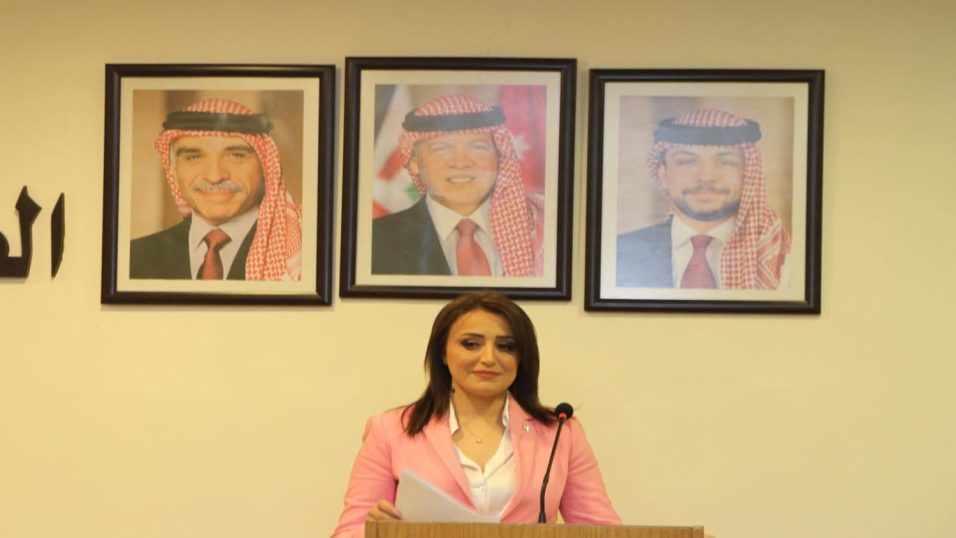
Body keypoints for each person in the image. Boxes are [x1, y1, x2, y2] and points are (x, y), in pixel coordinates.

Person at [330, 292, 620, 538]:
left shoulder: (561, 432)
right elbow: (349, 531)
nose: (488, 358)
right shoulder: (390, 430)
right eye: (471, 344)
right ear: (443, 353)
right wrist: (380, 532)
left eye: (506, 347)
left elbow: (602, 530)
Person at [371, 94, 544, 277]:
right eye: (441, 148)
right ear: (414, 161)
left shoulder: (542, 230)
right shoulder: (376, 239)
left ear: (499, 155)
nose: (460, 163)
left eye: (478, 147)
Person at [616, 108, 791, 289]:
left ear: (748, 174)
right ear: (663, 174)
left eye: (726, 162)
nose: (706, 177)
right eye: (687, 162)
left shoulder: (786, 255)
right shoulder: (618, 253)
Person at [129, 98, 302, 280]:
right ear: (173, 169)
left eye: (236, 155)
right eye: (194, 157)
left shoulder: (300, 257)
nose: (214, 176)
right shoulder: (134, 258)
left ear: (265, 166)